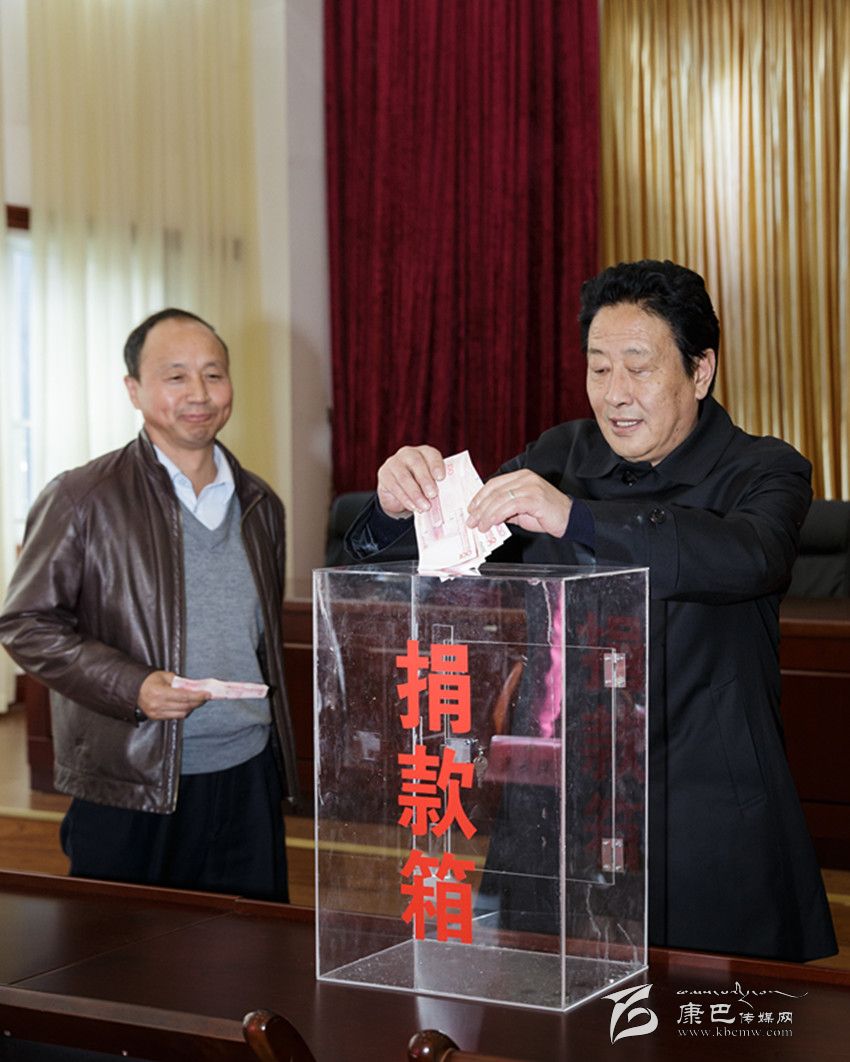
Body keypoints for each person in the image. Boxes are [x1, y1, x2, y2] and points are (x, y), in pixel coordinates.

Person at [345, 259, 837, 961]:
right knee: (547, 1002)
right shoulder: (561, 454)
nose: (615, 394)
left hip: (700, 809)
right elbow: (454, 547)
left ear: (700, 371)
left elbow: (747, 556)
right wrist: (398, 506)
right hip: (561, 807)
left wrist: (576, 518)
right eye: (599, 368)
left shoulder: (764, 469)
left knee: (708, 1013)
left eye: (639, 367)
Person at [0, 309, 297, 901]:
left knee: (251, 948)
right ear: (133, 389)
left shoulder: (261, 504)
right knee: (119, 950)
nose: (199, 394)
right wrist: (131, 686)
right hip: (130, 779)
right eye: (176, 376)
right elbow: (25, 623)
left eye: (214, 375)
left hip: (246, 776)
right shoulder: (82, 497)